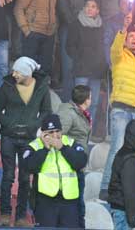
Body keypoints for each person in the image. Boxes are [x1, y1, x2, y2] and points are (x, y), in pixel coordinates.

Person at [0, 56, 51, 227]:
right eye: (14, 70)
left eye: (17, 71)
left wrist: (33, 126)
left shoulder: (41, 88)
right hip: (8, 137)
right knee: (8, 176)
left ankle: (21, 216)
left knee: (25, 178)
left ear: (26, 72)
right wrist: (9, 122)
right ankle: (5, 214)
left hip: (28, 139)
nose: (14, 74)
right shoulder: (8, 85)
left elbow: (47, 111)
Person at [99, 16, 135, 200]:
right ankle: (106, 188)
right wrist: (124, 29)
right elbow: (114, 48)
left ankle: (134, 191)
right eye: (131, 36)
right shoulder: (119, 55)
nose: (134, 39)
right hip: (121, 109)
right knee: (117, 147)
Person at [21, 113, 87, 228]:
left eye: (57, 131)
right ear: (43, 133)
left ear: (61, 131)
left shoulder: (69, 143)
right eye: (50, 132)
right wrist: (45, 149)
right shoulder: (35, 145)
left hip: (69, 201)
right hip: (46, 201)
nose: (55, 135)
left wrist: (62, 148)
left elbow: (81, 162)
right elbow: (28, 167)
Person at [58, 0, 97, 100]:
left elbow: (93, 3)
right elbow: (62, 4)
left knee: (84, 67)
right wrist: (75, 24)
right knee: (68, 67)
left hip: (87, 29)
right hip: (69, 28)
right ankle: (68, 104)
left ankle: (81, 105)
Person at [14, 0, 60, 74]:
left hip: (49, 34)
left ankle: (42, 92)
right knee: (28, 71)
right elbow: (18, 9)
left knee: (45, 70)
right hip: (33, 33)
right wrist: (26, 30)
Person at [66, 0, 107, 122]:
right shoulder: (76, 23)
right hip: (81, 69)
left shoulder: (102, 26)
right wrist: (80, 58)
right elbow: (69, 46)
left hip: (96, 71)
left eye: (93, 6)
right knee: (78, 103)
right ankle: (74, 133)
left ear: (98, 10)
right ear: (83, 8)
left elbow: (105, 46)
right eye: (87, 6)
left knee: (93, 103)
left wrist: (102, 64)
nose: (90, 8)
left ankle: (87, 133)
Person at [57, 84, 92, 228]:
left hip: (78, 164)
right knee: (77, 205)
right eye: (90, 97)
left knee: (79, 204)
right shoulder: (68, 113)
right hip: (71, 165)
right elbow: (58, 134)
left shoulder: (80, 113)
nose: (91, 100)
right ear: (86, 100)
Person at [108, 119, 135, 230]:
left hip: (123, 209)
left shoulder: (131, 154)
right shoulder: (130, 158)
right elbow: (131, 191)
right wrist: (132, 218)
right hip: (124, 211)